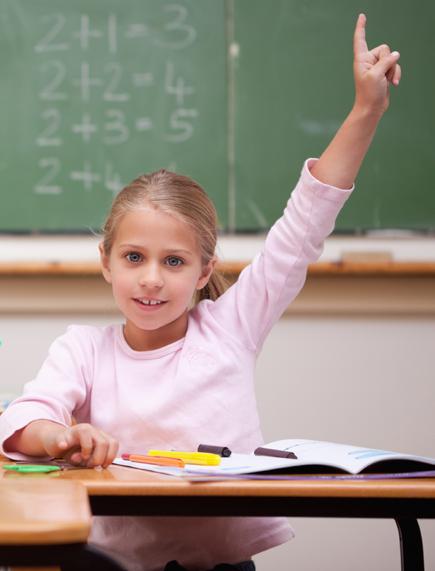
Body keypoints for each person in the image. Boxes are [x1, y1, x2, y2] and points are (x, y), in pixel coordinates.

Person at [0, 14, 400, 571]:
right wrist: (61, 438)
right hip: (112, 565)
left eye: (174, 261)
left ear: (204, 268)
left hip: (222, 568)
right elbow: (24, 420)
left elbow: (305, 224)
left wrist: (366, 110)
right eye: (133, 258)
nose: (151, 278)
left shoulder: (231, 327)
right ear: (106, 263)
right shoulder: (83, 350)